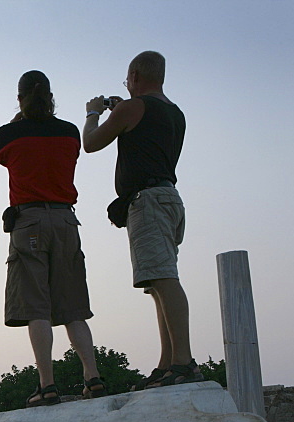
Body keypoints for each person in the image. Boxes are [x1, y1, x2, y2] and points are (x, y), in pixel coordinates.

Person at [0, 70, 106, 408]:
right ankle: (92, 377)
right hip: (65, 220)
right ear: (51, 97)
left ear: (20, 98)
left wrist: (16, 122)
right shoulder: (68, 132)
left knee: (37, 307)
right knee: (73, 307)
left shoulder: (11, 133)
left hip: (29, 222)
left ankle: (47, 384)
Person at [83, 51, 200, 388]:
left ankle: (184, 362)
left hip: (148, 203)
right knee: (157, 283)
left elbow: (91, 143)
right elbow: (145, 139)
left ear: (134, 75)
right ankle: (168, 364)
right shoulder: (175, 113)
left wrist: (93, 113)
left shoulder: (132, 108)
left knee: (163, 279)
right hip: (169, 199)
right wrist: (124, 109)